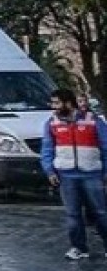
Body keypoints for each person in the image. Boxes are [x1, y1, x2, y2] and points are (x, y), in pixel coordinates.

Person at [41, 88, 107, 260]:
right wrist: (49, 171)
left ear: (68, 103)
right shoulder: (52, 123)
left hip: (92, 173)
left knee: (100, 212)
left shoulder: (93, 120)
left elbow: (106, 146)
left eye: (56, 103)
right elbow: (47, 150)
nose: (53, 107)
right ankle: (78, 247)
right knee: (73, 214)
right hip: (66, 175)